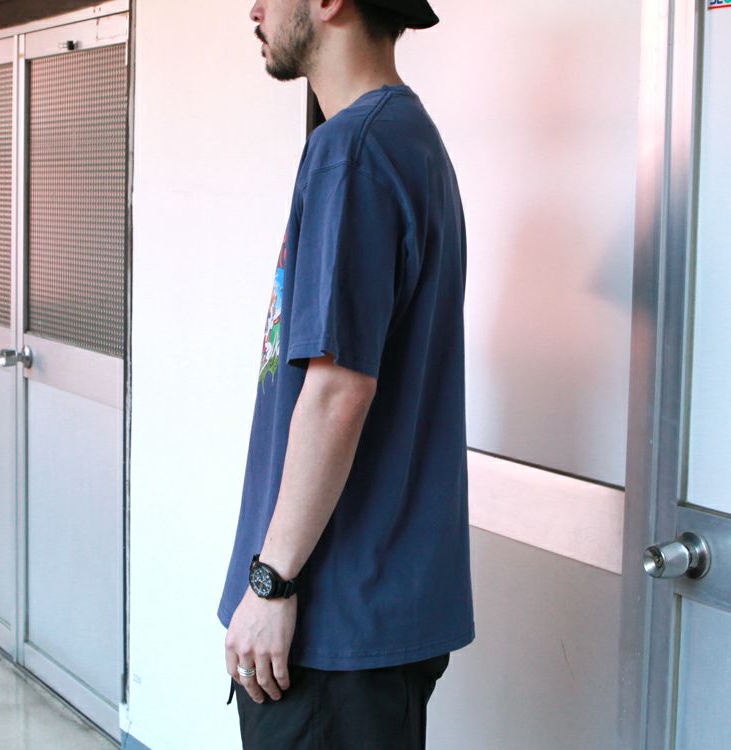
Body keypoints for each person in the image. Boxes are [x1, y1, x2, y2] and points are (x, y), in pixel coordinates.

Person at [217, 0, 475, 747]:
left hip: (330, 625)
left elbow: (338, 389)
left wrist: (271, 581)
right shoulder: (407, 139)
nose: (255, 8)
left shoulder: (353, 151)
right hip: (369, 615)